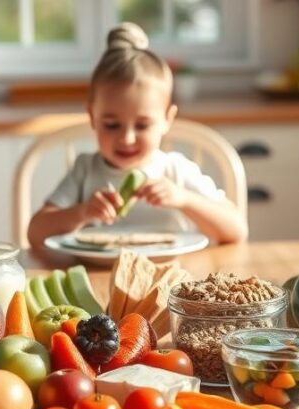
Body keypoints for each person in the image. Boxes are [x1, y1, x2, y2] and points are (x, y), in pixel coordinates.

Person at [27, 23, 247, 249]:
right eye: (112, 125)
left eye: (142, 126)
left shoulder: (176, 171)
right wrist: (82, 212)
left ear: (167, 119)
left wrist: (184, 199)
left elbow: (236, 229)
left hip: (172, 271)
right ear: (92, 117)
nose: (127, 138)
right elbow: (35, 233)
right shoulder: (85, 170)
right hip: (99, 271)